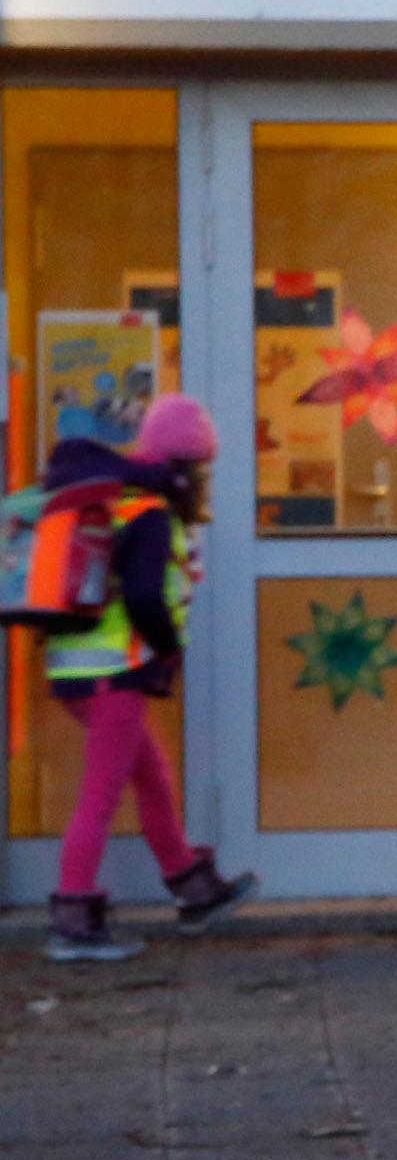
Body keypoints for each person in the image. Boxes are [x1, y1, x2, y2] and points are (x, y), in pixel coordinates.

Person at [40, 394, 255, 962]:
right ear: (187, 467)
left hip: (81, 669)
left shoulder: (118, 499)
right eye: (203, 466)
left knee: (154, 779)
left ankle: (191, 886)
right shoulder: (150, 512)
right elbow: (142, 596)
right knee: (100, 796)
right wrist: (164, 648)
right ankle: (73, 918)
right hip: (115, 673)